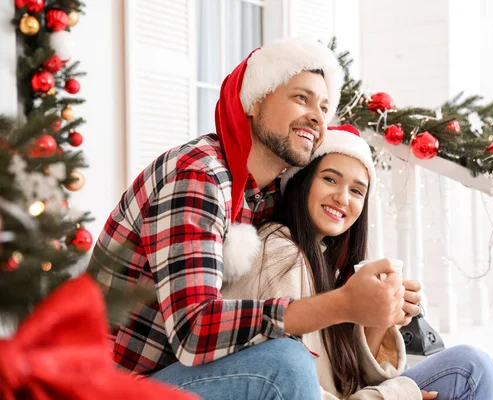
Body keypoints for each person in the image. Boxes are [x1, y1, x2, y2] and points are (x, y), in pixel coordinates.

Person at [88, 37, 421, 400]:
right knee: (286, 362)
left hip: (191, 377)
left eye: (325, 107)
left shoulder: (265, 194)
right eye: (301, 98)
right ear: (255, 101)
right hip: (116, 386)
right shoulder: (199, 174)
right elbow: (194, 330)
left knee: (465, 368)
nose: (317, 116)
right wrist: (342, 304)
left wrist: (378, 309)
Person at [220, 124, 493, 400]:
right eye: (330, 179)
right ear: (302, 181)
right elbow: (292, 388)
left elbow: (350, 380)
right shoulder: (280, 254)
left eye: (356, 191)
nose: (342, 198)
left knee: (472, 365)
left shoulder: (325, 260)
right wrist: (400, 395)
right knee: (470, 370)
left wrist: (380, 320)